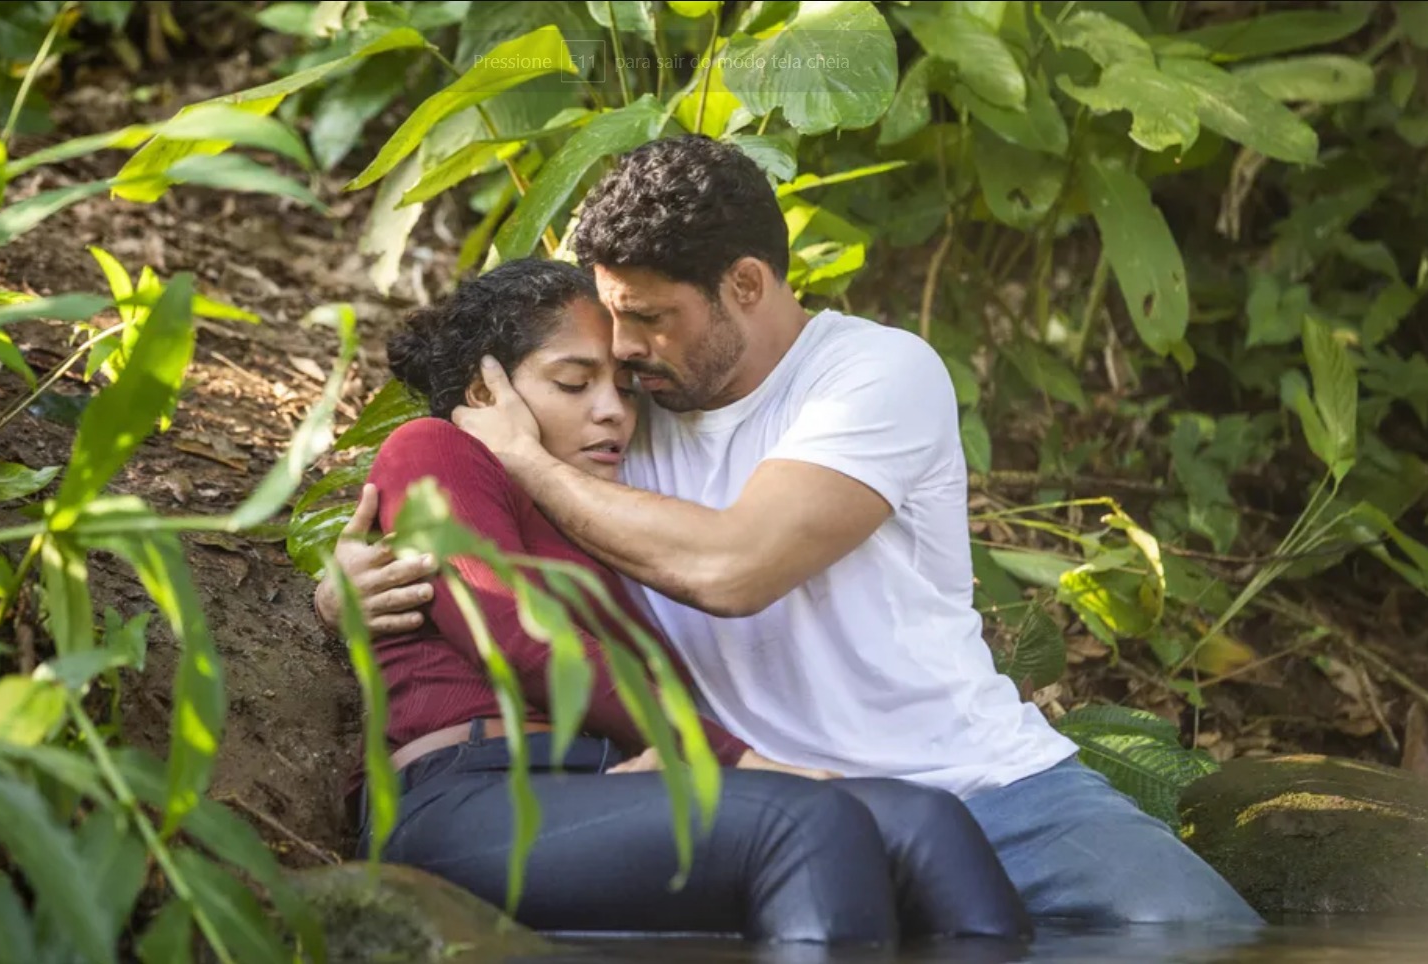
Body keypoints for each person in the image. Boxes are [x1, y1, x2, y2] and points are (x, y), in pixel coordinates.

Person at [318, 136, 1262, 927]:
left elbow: (733, 567)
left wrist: (524, 459)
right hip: (762, 800)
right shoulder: (616, 424)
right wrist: (347, 585)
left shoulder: (872, 375)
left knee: (1203, 937)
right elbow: (478, 533)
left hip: (979, 783)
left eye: (649, 320)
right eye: (610, 329)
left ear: (745, 284)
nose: (626, 357)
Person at [340, 257, 1032, 944]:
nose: (610, 409)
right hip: (465, 793)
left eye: (622, 386)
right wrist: (734, 759)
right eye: (574, 382)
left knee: (923, 823)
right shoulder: (429, 451)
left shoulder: (596, 514)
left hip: (599, 784)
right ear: (486, 393)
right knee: (805, 822)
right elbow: (518, 636)